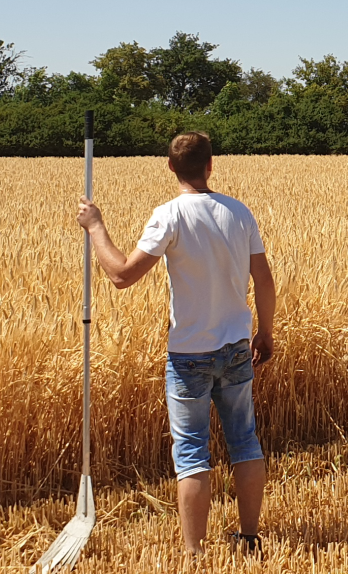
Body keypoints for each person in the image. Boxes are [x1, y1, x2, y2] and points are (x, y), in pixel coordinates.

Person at [75, 131, 278, 558]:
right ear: (210, 165)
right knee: (245, 441)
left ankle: (193, 553)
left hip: (189, 354)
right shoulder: (239, 212)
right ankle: (249, 536)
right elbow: (263, 279)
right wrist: (265, 332)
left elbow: (121, 275)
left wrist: (95, 227)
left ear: (170, 167)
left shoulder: (169, 216)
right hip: (238, 346)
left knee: (191, 451)